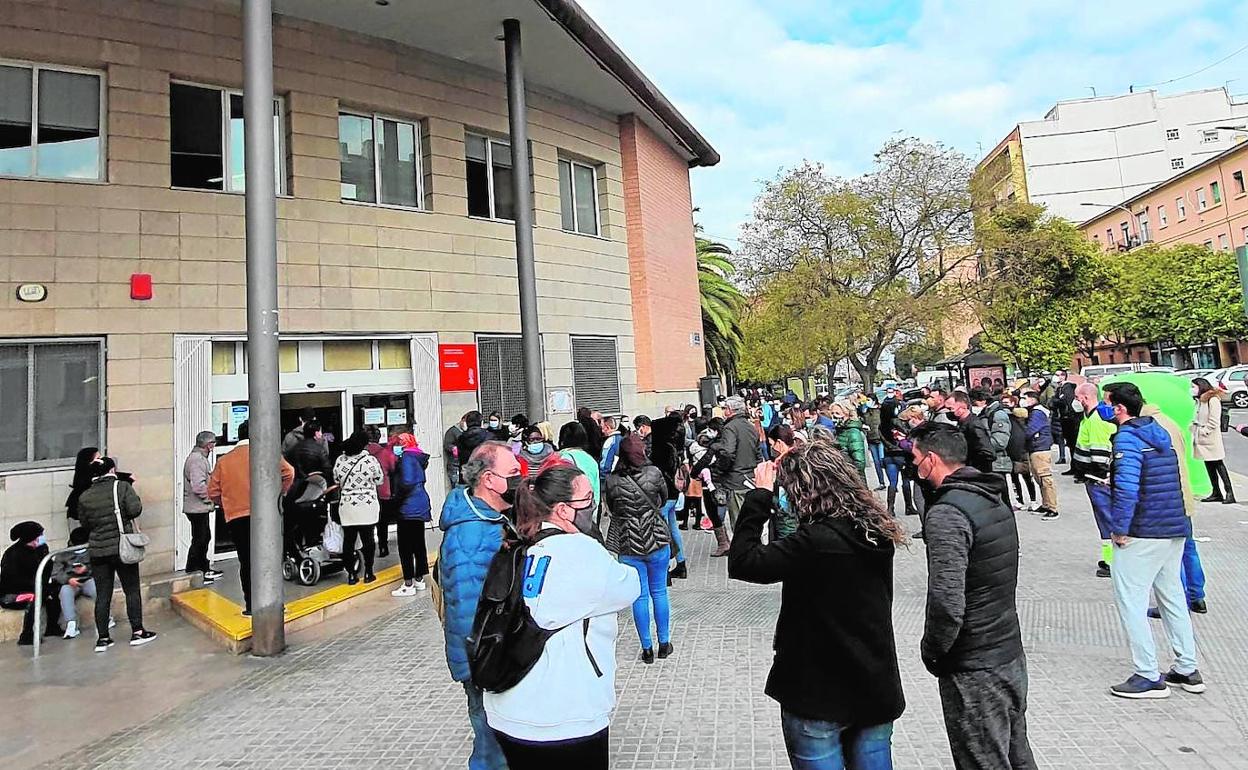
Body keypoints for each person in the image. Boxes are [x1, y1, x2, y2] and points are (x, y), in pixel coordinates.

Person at [729, 441, 907, 770]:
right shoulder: (875, 531)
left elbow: (743, 561)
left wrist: (760, 496)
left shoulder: (815, 542)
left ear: (802, 492)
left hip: (818, 692)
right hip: (874, 684)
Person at [484, 465, 641, 769]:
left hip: (508, 709)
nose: (594, 507)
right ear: (563, 510)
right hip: (565, 716)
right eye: (588, 499)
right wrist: (596, 546)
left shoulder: (520, 546)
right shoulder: (581, 551)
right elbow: (629, 585)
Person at [910, 423, 1036, 769]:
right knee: (1015, 752)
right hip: (1007, 649)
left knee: (982, 758)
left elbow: (947, 600)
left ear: (931, 460)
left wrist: (933, 651)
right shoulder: (990, 497)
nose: (914, 466)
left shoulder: (948, 513)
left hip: (975, 661)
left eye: (916, 458)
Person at [1103, 383, 1204, 699]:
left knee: (1130, 599)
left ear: (1119, 408)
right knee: (1172, 595)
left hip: (1143, 531)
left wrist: (1119, 529)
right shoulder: (1160, 433)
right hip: (1173, 526)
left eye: (1108, 404)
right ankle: (1187, 667)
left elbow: (1127, 490)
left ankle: (1147, 674)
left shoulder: (1128, 439)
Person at [439, 441, 521, 770]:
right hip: (487, 662)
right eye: (513, 473)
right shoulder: (470, 535)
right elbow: (465, 608)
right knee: (492, 746)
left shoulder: (493, 519)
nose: (520, 479)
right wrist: (487, 666)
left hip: (496, 656)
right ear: (488, 479)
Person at [208, 420, 296, 617]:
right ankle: (275, 602)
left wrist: (227, 503)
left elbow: (212, 492)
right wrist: (279, 494)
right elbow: (289, 472)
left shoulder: (224, 461)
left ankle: (250, 605)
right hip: (265, 514)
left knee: (246, 561)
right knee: (268, 559)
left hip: (236, 517)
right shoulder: (266, 454)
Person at [603, 434, 674, 664]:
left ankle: (647, 648)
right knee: (660, 592)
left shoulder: (612, 480)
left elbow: (612, 509)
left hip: (628, 543)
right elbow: (663, 500)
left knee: (640, 596)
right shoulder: (654, 473)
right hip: (656, 538)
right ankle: (664, 642)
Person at [76, 458, 159, 652]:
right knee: (131, 589)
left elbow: (85, 523)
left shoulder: (85, 495)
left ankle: (103, 638)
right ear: (112, 469)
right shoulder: (121, 487)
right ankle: (137, 631)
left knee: (103, 594)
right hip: (121, 548)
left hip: (98, 550)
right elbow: (135, 509)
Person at [634, 412, 687, 580]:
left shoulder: (660, 448)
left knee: (662, 532)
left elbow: (653, 470)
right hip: (673, 493)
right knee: (672, 528)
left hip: (662, 495)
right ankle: (681, 563)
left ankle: (666, 570)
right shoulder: (672, 446)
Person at [1072, 383, 1117, 579]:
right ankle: (1109, 558)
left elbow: (1100, 451)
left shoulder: (1097, 419)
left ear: (1085, 397)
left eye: (1077, 397)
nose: (1076, 401)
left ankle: (1112, 561)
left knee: (1106, 520)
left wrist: (1100, 475)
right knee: (1105, 520)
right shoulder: (1090, 417)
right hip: (1093, 477)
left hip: (1098, 478)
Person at [333, 430, 385, 585]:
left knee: (348, 541)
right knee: (368, 540)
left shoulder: (340, 460)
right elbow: (379, 479)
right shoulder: (370, 461)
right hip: (367, 506)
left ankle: (351, 575)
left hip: (347, 506)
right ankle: (368, 572)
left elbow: (336, 479)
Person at [382, 432, 430, 596]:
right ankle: (419, 579)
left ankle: (408, 583)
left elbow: (407, 482)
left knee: (405, 546)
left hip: (408, 506)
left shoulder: (407, 458)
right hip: (419, 504)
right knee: (418, 543)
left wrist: (397, 499)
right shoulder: (417, 457)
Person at [710, 395, 764, 535]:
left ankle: (744, 554)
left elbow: (727, 452)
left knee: (739, 524)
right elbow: (758, 454)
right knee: (752, 522)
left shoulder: (730, 428)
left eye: (724, 408)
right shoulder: (751, 427)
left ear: (730, 410)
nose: (723, 411)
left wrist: (719, 470)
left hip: (735, 480)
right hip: (751, 479)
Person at [1, 521, 59, 646]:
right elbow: (10, 580)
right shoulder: (12, 554)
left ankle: (52, 627)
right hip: (14, 593)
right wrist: (33, 588)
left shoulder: (42, 549)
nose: (42, 537)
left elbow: (47, 568)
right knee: (34, 599)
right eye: (40, 535)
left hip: (37, 587)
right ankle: (27, 635)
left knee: (54, 592)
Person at [182, 431, 223, 583]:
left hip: (196, 507)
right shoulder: (197, 460)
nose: (214, 446)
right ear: (208, 445)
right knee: (201, 538)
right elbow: (198, 486)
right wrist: (212, 498)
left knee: (203, 537)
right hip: (197, 507)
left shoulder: (197, 459)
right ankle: (197, 571)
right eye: (213, 443)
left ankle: (200, 569)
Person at [51, 526, 102, 640]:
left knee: (96, 588)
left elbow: (101, 569)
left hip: (88, 579)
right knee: (65, 591)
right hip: (71, 582)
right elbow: (56, 573)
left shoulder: (93, 550)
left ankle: (105, 617)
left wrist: (87, 569)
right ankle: (71, 624)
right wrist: (68, 579)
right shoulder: (63, 554)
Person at [1190, 377, 1233, 503]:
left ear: (1201, 386)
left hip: (1210, 437)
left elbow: (1214, 420)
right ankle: (1216, 491)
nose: (1192, 389)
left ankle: (1229, 492)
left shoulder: (1212, 400)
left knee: (1218, 464)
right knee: (1208, 464)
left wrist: (1204, 431)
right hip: (1201, 437)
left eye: (1194, 387)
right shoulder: (1199, 400)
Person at [1021, 391, 1059, 520]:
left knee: (1045, 478)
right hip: (1036, 447)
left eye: (1024, 398)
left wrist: (1021, 435)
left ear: (1032, 399)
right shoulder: (1035, 412)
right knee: (1039, 478)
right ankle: (1046, 504)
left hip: (1040, 448)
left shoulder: (1037, 413)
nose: (1022, 401)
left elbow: (1030, 430)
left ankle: (1052, 508)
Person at [976, 390, 1016, 505]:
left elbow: (1000, 442)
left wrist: (981, 445)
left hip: (997, 461)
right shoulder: (986, 413)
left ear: (983, 401)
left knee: (1001, 500)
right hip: (990, 461)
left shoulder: (997, 414)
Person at [947, 391, 995, 475]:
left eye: (950, 409)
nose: (948, 412)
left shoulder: (973, 425)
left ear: (963, 407)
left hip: (979, 475)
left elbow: (988, 453)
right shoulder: (963, 424)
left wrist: (970, 463)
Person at [557, 421, 602, 510]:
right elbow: (596, 489)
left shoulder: (563, 458)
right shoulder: (590, 459)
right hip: (590, 510)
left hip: (570, 511)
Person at [830, 402, 868, 483]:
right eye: (832, 413)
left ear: (847, 414)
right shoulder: (837, 431)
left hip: (853, 480)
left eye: (838, 413)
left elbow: (860, 462)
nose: (834, 416)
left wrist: (850, 477)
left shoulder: (853, 432)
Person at [455, 411, 493, 485]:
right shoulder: (489, 437)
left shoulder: (461, 438)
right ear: (481, 422)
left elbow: (460, 457)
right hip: (485, 474)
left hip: (467, 475)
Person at [861, 396, 887, 491]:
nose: (867, 402)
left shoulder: (881, 410)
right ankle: (881, 482)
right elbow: (862, 420)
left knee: (882, 460)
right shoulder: (866, 411)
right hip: (871, 438)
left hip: (880, 438)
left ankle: (892, 482)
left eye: (869, 400)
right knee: (876, 463)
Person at [443, 415, 467, 489]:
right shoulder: (452, 431)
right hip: (455, 465)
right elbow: (447, 445)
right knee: (457, 486)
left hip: (465, 464)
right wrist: (454, 449)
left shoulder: (467, 432)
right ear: (462, 420)